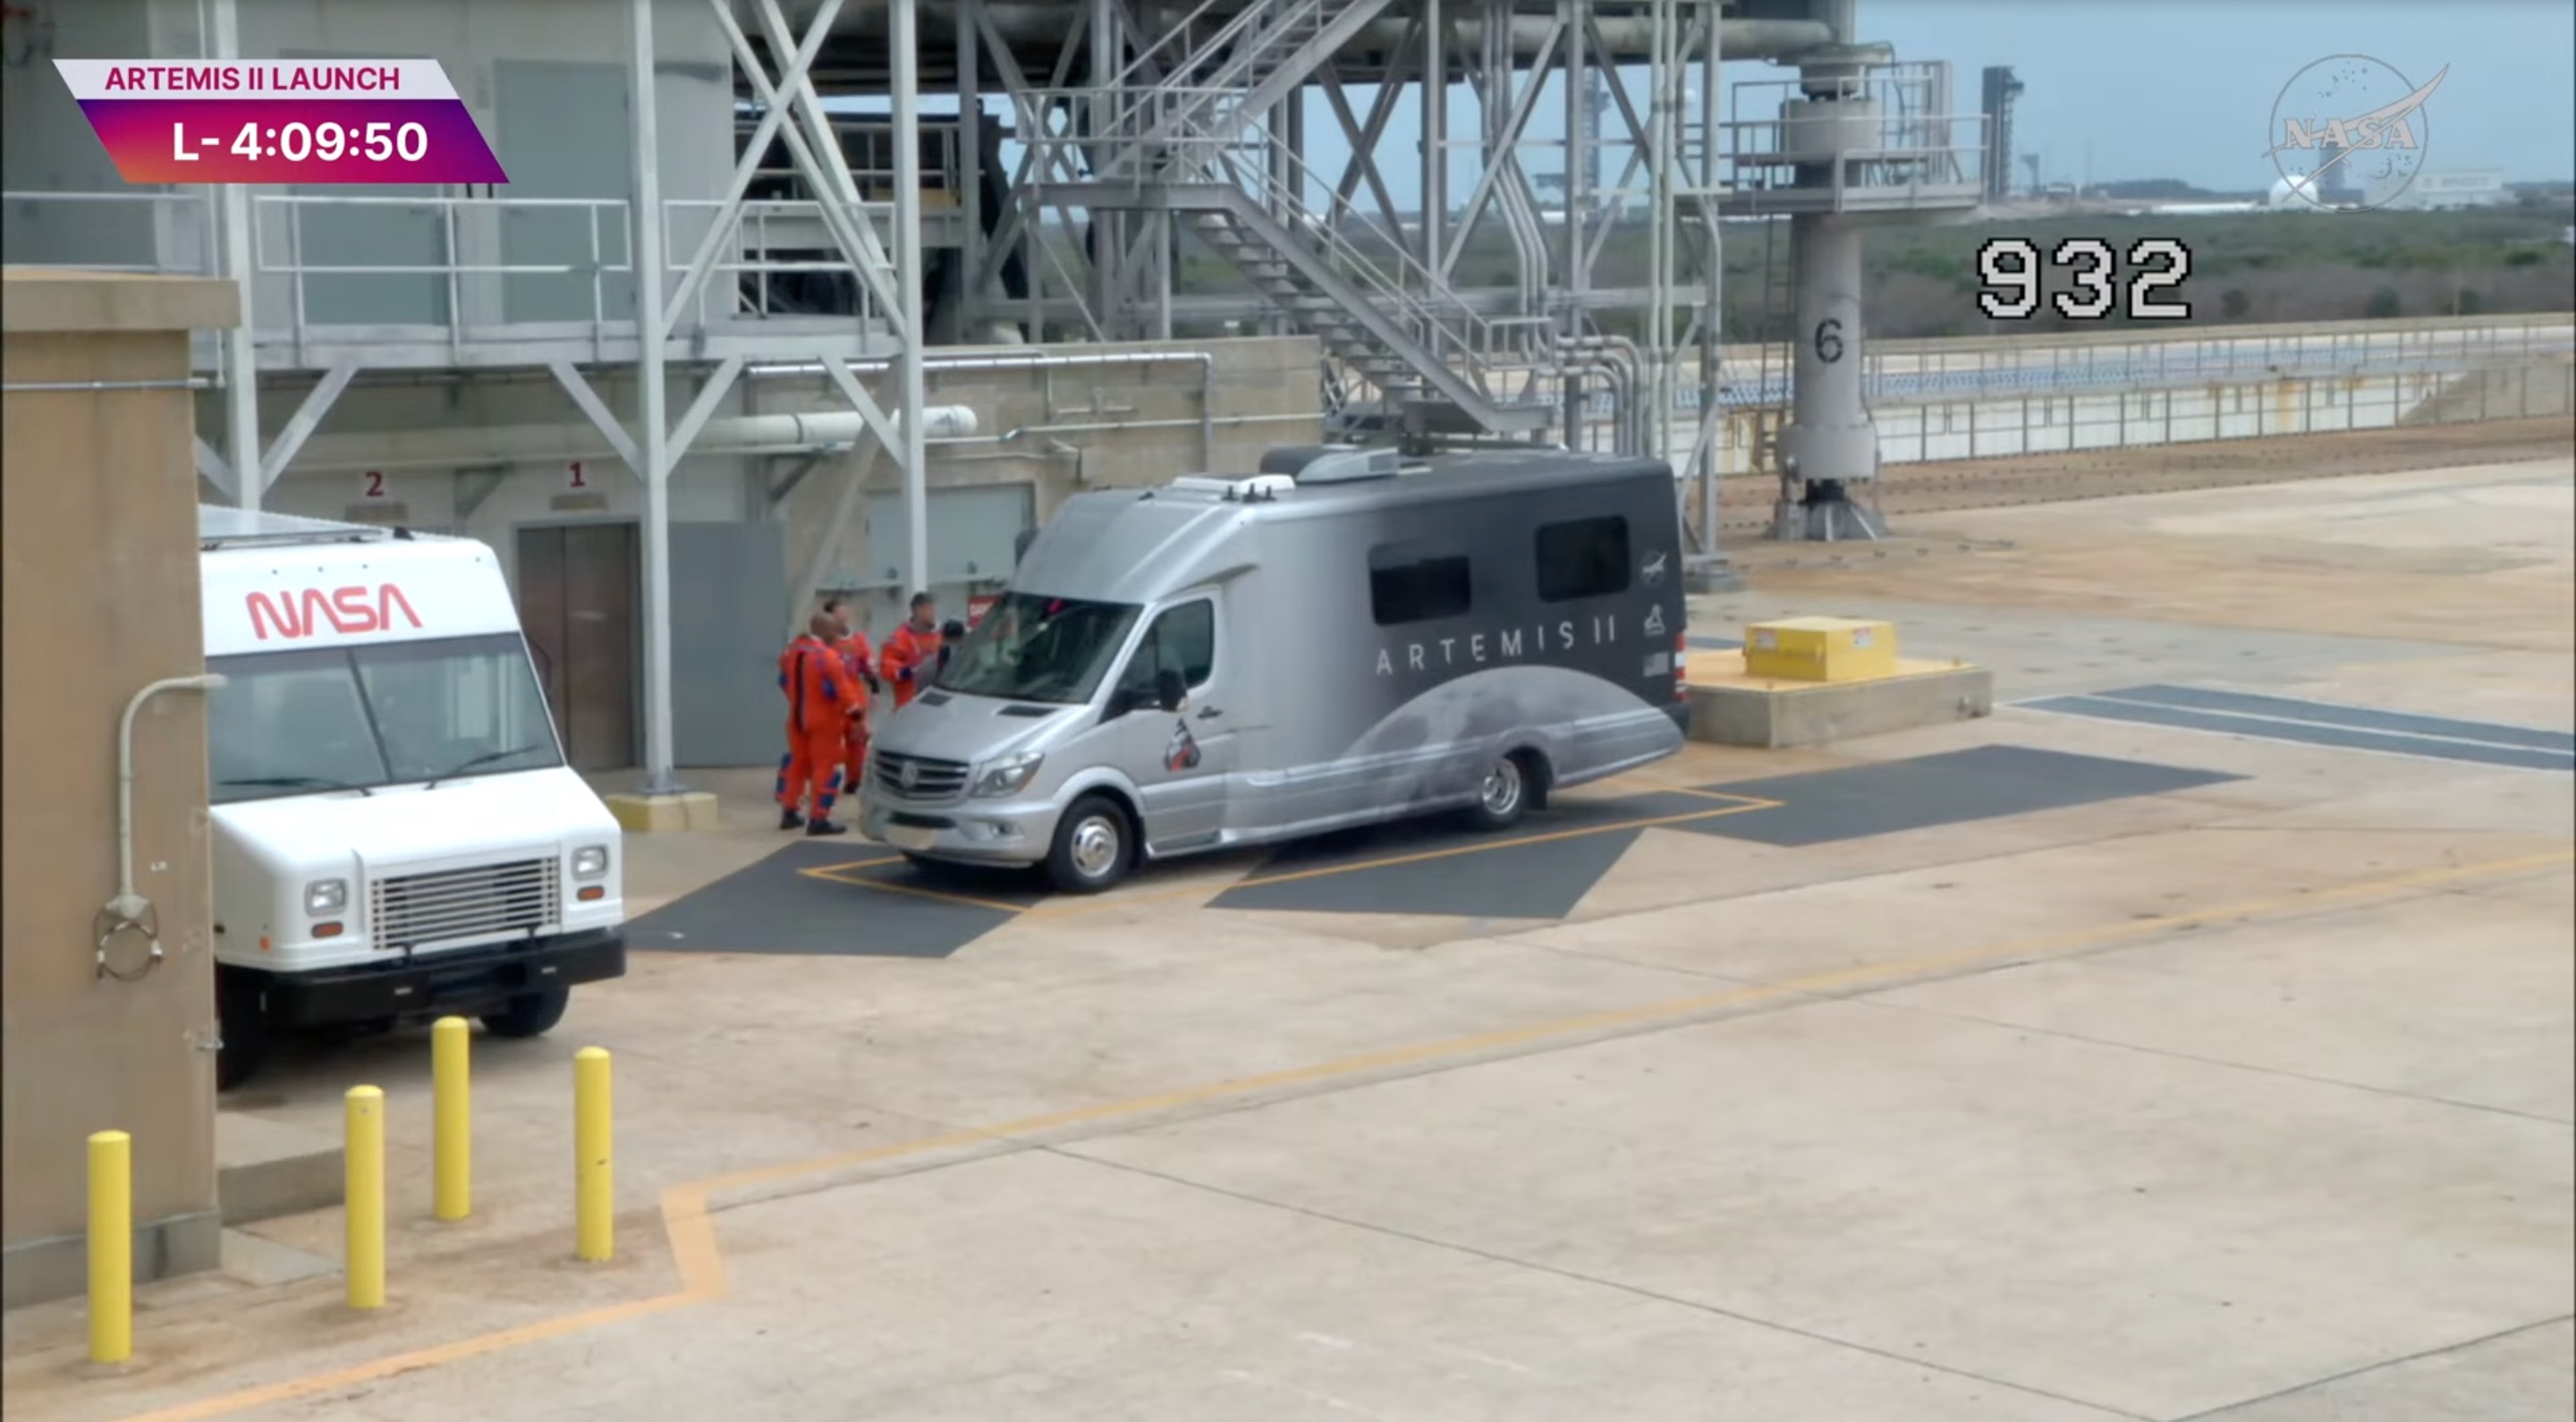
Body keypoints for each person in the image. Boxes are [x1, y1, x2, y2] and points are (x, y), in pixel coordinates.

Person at [775, 609, 862, 835]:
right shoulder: (827, 657)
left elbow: (784, 680)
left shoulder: (791, 651)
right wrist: (857, 718)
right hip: (823, 720)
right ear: (825, 631)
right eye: (833, 629)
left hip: (796, 718)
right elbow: (846, 694)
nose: (836, 634)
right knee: (825, 768)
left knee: (797, 763)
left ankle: (789, 810)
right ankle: (818, 818)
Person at [821, 596, 882, 795]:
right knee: (829, 742)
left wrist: (875, 689)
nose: (844, 616)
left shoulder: (858, 640)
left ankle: (853, 780)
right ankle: (825, 781)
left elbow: (867, 665)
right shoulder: (825, 643)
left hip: (855, 694)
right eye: (839, 612)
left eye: (845, 611)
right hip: (831, 698)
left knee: (857, 740)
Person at [878, 591, 944, 712]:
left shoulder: (940, 635)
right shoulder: (899, 638)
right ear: (917, 610)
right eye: (929, 609)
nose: (933, 613)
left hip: (936, 702)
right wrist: (905, 671)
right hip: (909, 704)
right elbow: (886, 666)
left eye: (933, 608)